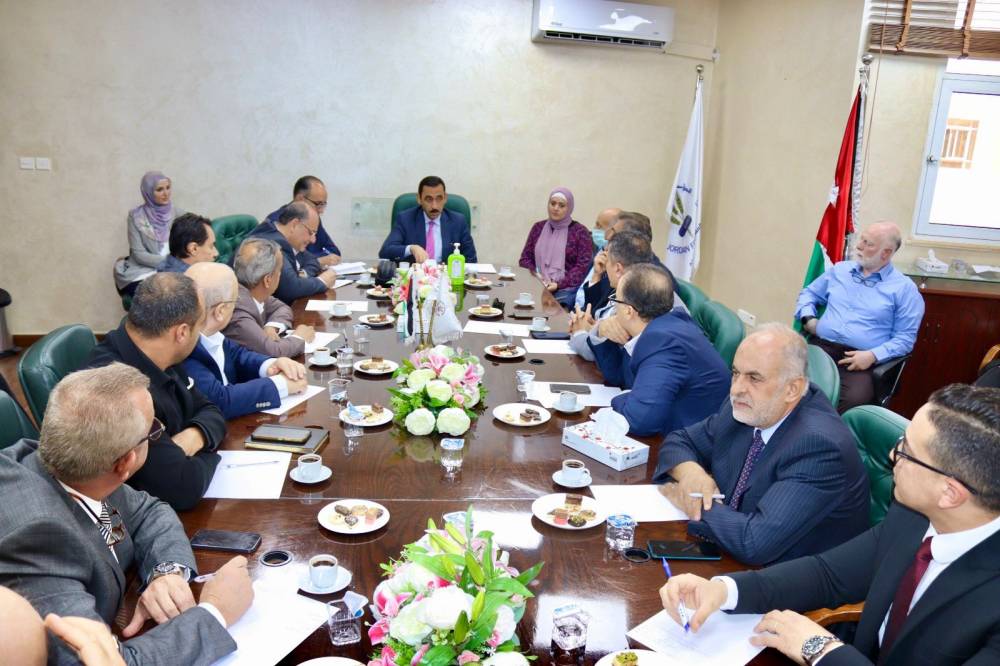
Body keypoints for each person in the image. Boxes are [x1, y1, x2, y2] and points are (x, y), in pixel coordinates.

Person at [659, 384, 1000, 666]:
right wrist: (724, 590)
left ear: (950, 493)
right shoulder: (912, 516)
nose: (891, 456)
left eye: (906, 452)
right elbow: (828, 575)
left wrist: (820, 649)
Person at [0, 363, 252, 665]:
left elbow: (150, 511)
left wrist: (166, 572)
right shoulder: (36, 540)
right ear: (126, 463)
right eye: (154, 430)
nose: (157, 431)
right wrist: (215, 612)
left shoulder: (75, 465)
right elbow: (98, 661)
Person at [653, 323, 870, 565]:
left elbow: (754, 542)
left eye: (754, 378)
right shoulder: (748, 408)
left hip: (791, 577)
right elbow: (679, 441)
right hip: (730, 553)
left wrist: (695, 500)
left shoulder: (819, 446)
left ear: (792, 389)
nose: (737, 389)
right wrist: (691, 474)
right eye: (736, 373)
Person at [84, 272, 225, 511]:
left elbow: (210, 409)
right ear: (181, 333)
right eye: (199, 325)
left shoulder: (159, 351)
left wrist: (195, 436)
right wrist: (211, 452)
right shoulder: (118, 391)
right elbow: (182, 488)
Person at [795, 221, 925, 411]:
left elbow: (905, 339)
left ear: (886, 253)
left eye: (868, 243)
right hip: (821, 346)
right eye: (861, 240)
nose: (859, 246)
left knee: (851, 402)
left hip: (860, 361)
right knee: (786, 382)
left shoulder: (905, 290)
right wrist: (807, 318)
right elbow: (809, 293)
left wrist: (872, 356)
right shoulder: (840, 270)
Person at [589, 264, 730, 436]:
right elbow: (618, 376)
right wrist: (602, 332)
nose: (614, 309)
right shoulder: (666, 325)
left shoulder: (663, 342)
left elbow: (638, 421)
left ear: (628, 311)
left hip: (693, 444)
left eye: (615, 300)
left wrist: (621, 398)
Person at [184, 262, 307, 419]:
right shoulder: (184, 346)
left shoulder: (211, 333)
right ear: (220, 311)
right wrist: (281, 385)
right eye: (235, 301)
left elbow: (237, 355)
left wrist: (271, 365)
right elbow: (219, 400)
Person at [581, 210, 687, 315]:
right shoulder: (622, 263)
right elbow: (594, 308)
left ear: (631, 239)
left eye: (614, 233)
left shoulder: (653, 280)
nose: (607, 237)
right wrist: (596, 275)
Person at [568, 230, 652, 361]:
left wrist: (580, 332)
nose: (605, 265)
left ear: (618, 269)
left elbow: (598, 352)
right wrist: (596, 327)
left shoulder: (634, 302)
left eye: (608, 260)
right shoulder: (641, 283)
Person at [225, 237, 315, 357]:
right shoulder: (237, 312)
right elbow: (274, 351)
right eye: (279, 271)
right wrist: (300, 337)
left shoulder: (253, 292)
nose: (280, 275)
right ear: (267, 280)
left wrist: (271, 327)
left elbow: (281, 308)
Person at [248, 201, 338, 304]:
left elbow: (311, 260)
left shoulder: (286, 239)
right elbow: (291, 289)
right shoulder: (270, 244)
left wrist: (302, 274)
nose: (313, 240)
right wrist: (322, 281)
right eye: (311, 232)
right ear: (295, 224)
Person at [518, 187, 592, 310]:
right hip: (537, 285)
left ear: (569, 208)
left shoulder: (580, 232)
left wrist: (558, 284)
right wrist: (536, 275)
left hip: (566, 290)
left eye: (561, 205)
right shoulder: (538, 227)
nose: (556, 208)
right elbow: (525, 259)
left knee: (553, 311)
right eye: (553, 203)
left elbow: (582, 267)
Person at [114, 171, 184, 297]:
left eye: (168, 187)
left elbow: (194, 233)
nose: (166, 193)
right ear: (148, 192)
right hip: (144, 270)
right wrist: (170, 263)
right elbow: (139, 254)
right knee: (161, 294)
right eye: (159, 189)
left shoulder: (177, 213)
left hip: (173, 269)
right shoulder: (136, 216)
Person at [379, 175, 477, 264]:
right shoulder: (405, 219)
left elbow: (471, 259)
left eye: (439, 198)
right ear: (419, 199)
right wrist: (411, 248)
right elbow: (385, 251)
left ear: (445, 198)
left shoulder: (458, 221)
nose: (434, 206)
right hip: (416, 276)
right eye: (429, 199)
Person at [265, 175, 341, 269]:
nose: (321, 211)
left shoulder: (313, 219)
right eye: (318, 204)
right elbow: (286, 264)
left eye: (323, 204)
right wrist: (317, 261)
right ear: (300, 199)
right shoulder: (276, 223)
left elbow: (333, 252)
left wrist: (312, 261)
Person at [572, 207, 621, 310]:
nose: (594, 228)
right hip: (574, 309)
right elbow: (577, 285)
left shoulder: (616, 264)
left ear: (613, 231)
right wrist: (566, 305)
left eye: (599, 226)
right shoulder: (594, 248)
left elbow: (598, 307)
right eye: (596, 224)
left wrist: (597, 275)